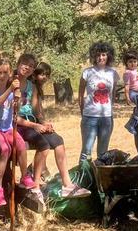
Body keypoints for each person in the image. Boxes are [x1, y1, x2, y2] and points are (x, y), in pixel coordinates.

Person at [15, 57, 90, 198]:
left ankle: (67, 185)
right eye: (25, 64)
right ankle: (35, 186)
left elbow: (36, 110)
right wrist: (36, 125)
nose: (28, 68)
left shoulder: (32, 87)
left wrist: (43, 123)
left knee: (58, 140)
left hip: (32, 123)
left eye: (31, 66)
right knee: (43, 144)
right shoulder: (12, 84)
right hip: (19, 125)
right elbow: (11, 115)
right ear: (18, 64)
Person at [0, 58, 36, 207]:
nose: (2, 75)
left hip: (8, 128)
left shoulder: (13, 92)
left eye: (5, 72)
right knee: (5, 150)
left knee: (20, 145)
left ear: (9, 74)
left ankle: (25, 176)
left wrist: (17, 100)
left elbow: (16, 107)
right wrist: (11, 89)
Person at [78, 41, 117, 161]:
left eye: (104, 54)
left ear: (108, 56)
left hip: (106, 118)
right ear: (94, 56)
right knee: (86, 151)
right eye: (98, 55)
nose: (101, 57)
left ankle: (100, 178)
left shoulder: (113, 73)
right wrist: (83, 112)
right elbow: (80, 95)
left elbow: (113, 94)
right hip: (90, 117)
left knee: (103, 153)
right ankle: (83, 177)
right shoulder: (87, 72)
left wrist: (110, 110)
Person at [122, 50, 138, 134]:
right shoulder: (128, 73)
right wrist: (127, 97)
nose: (133, 63)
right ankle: (131, 124)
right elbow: (127, 86)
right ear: (126, 63)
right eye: (130, 62)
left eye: (135, 61)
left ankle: (134, 122)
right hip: (133, 92)